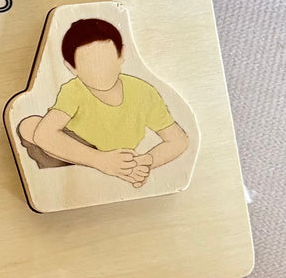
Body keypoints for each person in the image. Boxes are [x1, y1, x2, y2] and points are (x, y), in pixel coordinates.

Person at [17, 18, 190, 187]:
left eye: (106, 59)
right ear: (71, 68)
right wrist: (99, 160)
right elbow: (43, 135)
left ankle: (115, 170)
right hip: (74, 151)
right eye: (89, 63)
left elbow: (179, 140)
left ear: (121, 55)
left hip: (122, 158)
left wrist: (146, 161)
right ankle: (94, 168)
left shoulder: (143, 92)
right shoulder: (74, 90)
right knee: (29, 125)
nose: (100, 71)